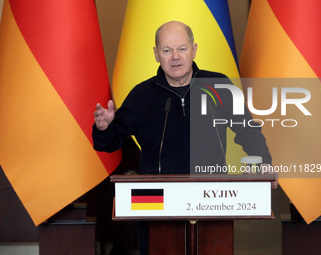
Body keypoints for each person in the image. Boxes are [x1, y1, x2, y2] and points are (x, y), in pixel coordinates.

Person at [93, 20, 276, 254]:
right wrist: (104, 127)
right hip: (156, 203)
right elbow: (108, 143)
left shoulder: (218, 86)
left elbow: (247, 129)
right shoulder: (142, 95)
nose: (175, 57)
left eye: (182, 49)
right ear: (156, 54)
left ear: (194, 50)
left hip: (212, 198)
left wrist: (263, 161)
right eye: (167, 50)